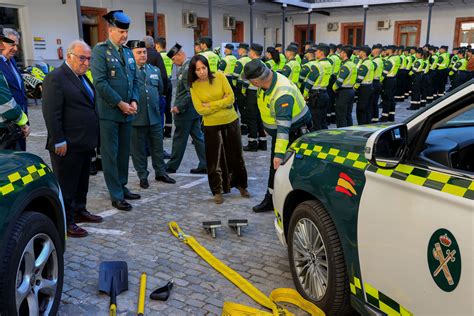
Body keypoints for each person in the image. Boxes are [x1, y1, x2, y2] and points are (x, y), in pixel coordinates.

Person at [42, 40, 103, 237]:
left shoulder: (83, 77)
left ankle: (79, 210)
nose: (86, 62)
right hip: (67, 144)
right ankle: (67, 221)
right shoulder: (56, 78)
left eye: (89, 59)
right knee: (66, 185)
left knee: (82, 182)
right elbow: (52, 113)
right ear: (69, 56)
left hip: (84, 142)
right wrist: (58, 139)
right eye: (82, 58)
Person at [243, 59, 311, 213]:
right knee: (275, 169)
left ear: (255, 81)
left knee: (288, 168)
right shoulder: (266, 83)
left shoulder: (282, 94)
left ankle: (292, 204)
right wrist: (268, 129)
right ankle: (271, 200)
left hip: (295, 133)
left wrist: (279, 154)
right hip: (283, 132)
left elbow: (283, 129)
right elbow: (266, 108)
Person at [90, 10, 140, 211]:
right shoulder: (100, 51)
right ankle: (116, 194)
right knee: (111, 154)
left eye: (125, 32)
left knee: (123, 153)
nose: (124, 35)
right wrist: (120, 103)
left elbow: (134, 80)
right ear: (110, 30)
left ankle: (122, 185)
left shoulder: (128, 52)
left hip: (127, 111)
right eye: (120, 32)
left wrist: (134, 100)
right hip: (110, 113)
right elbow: (100, 83)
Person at [189, 55, 248, 204]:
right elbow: (200, 110)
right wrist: (221, 102)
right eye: (198, 69)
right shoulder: (194, 86)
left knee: (236, 155)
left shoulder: (220, 77)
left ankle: (241, 185)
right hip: (211, 125)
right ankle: (217, 190)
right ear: (193, 71)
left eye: (204, 67)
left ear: (208, 67)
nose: (202, 71)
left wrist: (210, 104)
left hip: (231, 121)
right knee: (214, 160)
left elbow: (231, 99)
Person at [127, 40, 176, 189]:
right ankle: (142, 175)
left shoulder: (154, 70)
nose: (142, 55)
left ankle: (160, 172)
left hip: (154, 116)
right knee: (138, 149)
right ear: (131, 54)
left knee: (157, 146)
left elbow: (160, 90)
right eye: (139, 52)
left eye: (144, 52)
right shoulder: (128, 72)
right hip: (136, 118)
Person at [165, 43, 207, 174]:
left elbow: (190, 92)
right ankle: (205, 163)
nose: (173, 62)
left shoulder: (187, 69)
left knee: (179, 138)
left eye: (173, 59)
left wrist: (179, 106)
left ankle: (172, 165)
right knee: (198, 137)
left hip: (185, 111)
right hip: (192, 110)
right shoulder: (187, 67)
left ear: (180, 54)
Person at [0, 25, 29, 150]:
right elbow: (5, 99)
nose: (16, 49)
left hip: (19, 121)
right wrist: (21, 121)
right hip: (7, 125)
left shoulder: (10, 60)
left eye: (17, 45)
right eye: (12, 45)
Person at [242, 43, 267, 152]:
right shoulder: (264, 64)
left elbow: (245, 81)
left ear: (252, 52)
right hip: (262, 94)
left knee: (251, 118)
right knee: (260, 118)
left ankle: (252, 143)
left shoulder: (250, 64)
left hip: (252, 94)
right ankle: (263, 142)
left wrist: (243, 91)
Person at [303, 43, 332, 131]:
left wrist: (304, 94)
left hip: (316, 96)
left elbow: (309, 82)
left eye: (317, 51)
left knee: (315, 121)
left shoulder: (317, 65)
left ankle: (316, 141)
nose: (315, 53)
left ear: (321, 52)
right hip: (324, 93)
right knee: (323, 120)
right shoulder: (329, 64)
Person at [332, 45, 356, 127]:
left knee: (341, 114)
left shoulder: (345, 66)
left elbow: (340, 81)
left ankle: (342, 133)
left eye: (341, 52)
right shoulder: (352, 64)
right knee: (348, 114)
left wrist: (334, 88)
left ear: (345, 54)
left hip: (344, 92)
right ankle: (350, 131)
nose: (340, 54)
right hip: (350, 90)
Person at [155, 37, 174, 138]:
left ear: (157, 45)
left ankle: (160, 131)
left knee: (160, 107)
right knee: (168, 108)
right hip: (170, 82)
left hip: (162, 83)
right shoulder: (170, 55)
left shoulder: (157, 56)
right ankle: (168, 131)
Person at [232, 43, 251, 135]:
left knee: (241, 107)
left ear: (243, 50)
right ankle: (248, 125)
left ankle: (244, 127)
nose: (238, 51)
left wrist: (234, 85)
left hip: (240, 85)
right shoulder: (250, 60)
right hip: (250, 85)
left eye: (239, 49)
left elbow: (235, 76)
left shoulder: (240, 61)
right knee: (247, 106)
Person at [354, 45, 374, 125]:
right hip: (369, 86)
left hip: (364, 88)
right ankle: (367, 124)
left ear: (363, 53)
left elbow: (360, 77)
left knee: (361, 108)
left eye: (360, 52)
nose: (358, 53)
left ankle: (362, 125)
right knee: (367, 108)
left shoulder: (365, 63)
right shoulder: (369, 62)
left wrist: (355, 87)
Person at [370, 44, 383, 122]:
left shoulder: (375, 61)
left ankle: (372, 118)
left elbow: (371, 71)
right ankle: (375, 118)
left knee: (371, 102)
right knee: (375, 102)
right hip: (377, 82)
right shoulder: (380, 60)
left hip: (374, 82)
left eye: (372, 50)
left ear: (375, 51)